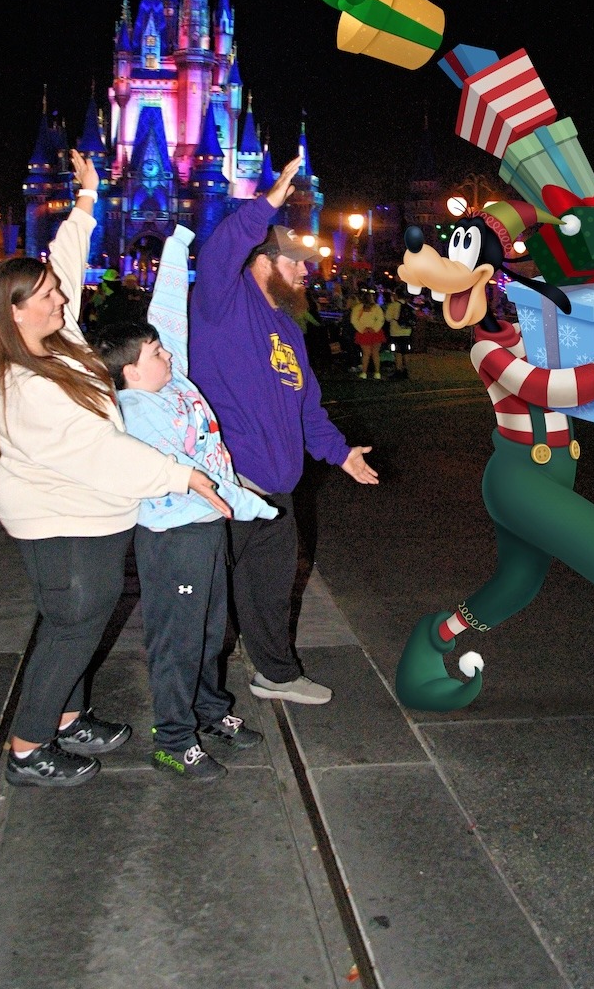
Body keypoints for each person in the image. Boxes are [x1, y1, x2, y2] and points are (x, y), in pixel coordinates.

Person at [0, 149, 230, 790]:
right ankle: (28, 747)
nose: (63, 296)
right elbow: (97, 451)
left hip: (90, 510)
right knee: (72, 627)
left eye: (57, 291)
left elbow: (61, 264)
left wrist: (86, 201)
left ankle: (67, 716)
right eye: (49, 296)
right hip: (61, 517)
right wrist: (180, 475)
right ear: (15, 311)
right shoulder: (25, 382)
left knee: (82, 621)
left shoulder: (54, 338)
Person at [189, 153, 379, 705]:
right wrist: (267, 203)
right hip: (228, 486)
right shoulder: (221, 304)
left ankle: (274, 673)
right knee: (204, 599)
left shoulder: (288, 328)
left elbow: (307, 409)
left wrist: (340, 453)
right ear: (262, 260)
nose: (304, 271)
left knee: (269, 593)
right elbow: (220, 249)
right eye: (295, 261)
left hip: (278, 490)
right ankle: (194, 702)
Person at [93, 226, 278, 784]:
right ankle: (173, 739)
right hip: (174, 539)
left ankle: (209, 709)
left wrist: (176, 248)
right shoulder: (134, 412)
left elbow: (169, 313)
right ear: (130, 371)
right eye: (156, 353)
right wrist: (246, 502)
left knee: (210, 628)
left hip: (206, 528)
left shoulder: (173, 384)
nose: (169, 352)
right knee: (177, 637)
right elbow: (186, 472)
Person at [350, 285, 386, 379]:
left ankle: (364, 373)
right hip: (376, 332)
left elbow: (354, 320)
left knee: (366, 353)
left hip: (363, 333)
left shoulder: (357, 308)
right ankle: (377, 373)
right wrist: (374, 328)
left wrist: (363, 329)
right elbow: (381, 319)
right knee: (375, 353)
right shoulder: (377, 307)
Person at [384, 285, 414, 379]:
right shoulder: (409, 306)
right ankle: (406, 370)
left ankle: (398, 370)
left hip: (396, 332)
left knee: (398, 352)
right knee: (405, 352)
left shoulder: (393, 306)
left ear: (396, 295)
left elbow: (387, 318)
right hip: (407, 332)